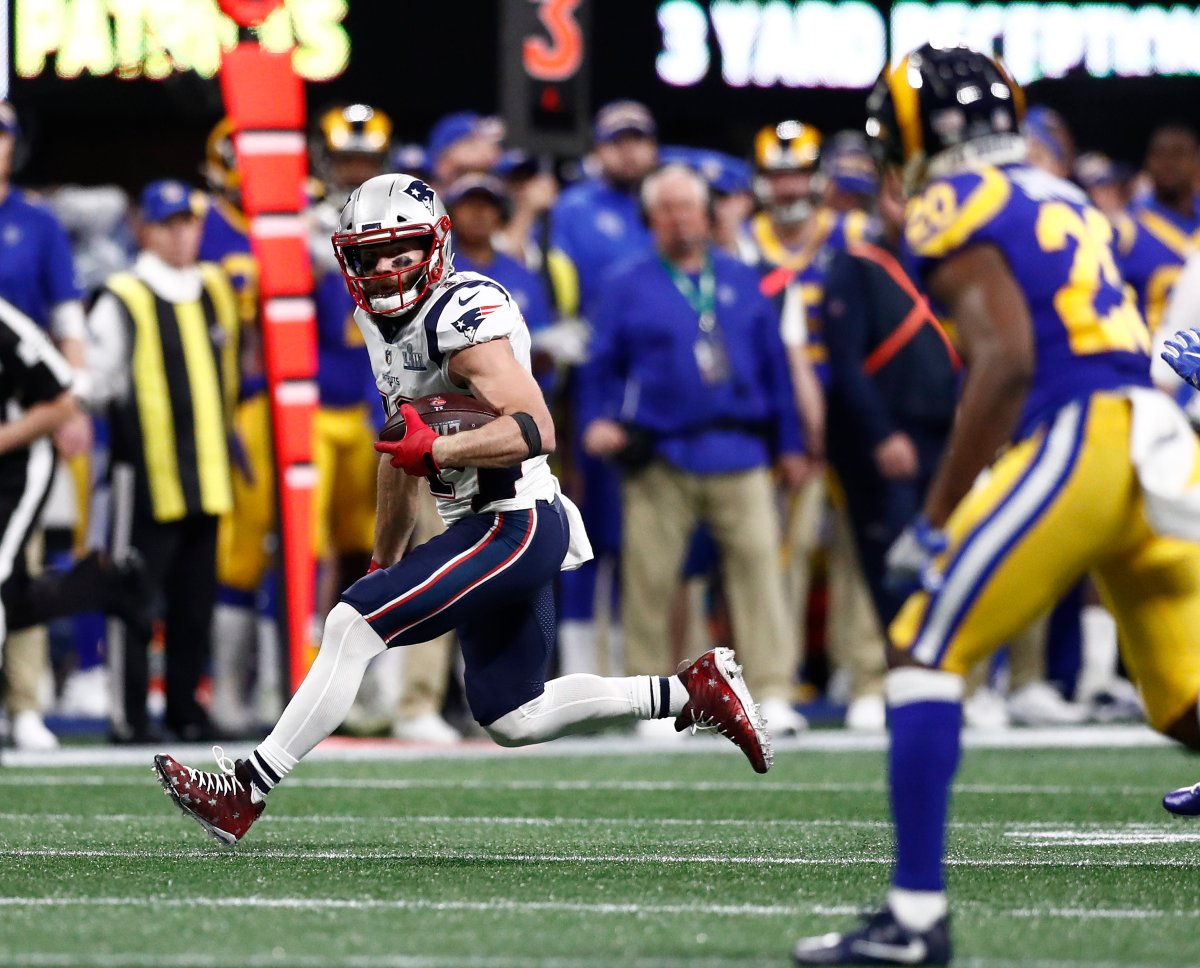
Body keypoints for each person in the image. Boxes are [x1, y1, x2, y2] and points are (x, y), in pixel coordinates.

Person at [152, 172, 773, 844]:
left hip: (517, 520)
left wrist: (441, 454)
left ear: (437, 246)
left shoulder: (464, 312)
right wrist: (383, 558)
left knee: (350, 626)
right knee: (514, 715)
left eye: (403, 251)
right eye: (370, 256)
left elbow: (538, 427)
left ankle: (246, 789)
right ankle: (692, 690)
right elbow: (403, 443)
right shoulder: (376, 321)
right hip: (479, 521)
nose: (387, 270)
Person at [793, 44, 1200, 964]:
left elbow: (1008, 359)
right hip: (1155, 435)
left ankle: (914, 920)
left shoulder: (947, 203)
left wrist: (935, 517)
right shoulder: (1055, 188)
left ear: (914, 130)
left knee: (922, 649)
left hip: (1083, 436)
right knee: (1180, 701)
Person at [579, 162, 806, 740]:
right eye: (668, 208)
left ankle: (774, 691)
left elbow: (774, 365)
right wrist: (596, 420)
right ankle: (651, 698)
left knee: (759, 572)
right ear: (651, 218)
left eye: (690, 206)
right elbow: (600, 365)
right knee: (650, 579)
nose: (681, 218)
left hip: (740, 447)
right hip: (662, 453)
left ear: (706, 214)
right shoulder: (626, 283)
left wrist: (792, 443)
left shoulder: (740, 278)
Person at [89, 180, 240, 744]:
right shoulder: (123, 294)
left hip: (207, 473)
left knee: (194, 603)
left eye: (189, 222)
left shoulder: (213, 288)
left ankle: (185, 708)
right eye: (170, 224)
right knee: (133, 597)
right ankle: (128, 715)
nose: (182, 234)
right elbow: (99, 383)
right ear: (146, 230)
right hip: (146, 475)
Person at [820, 164, 959, 730]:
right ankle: (876, 680)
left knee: (946, 561)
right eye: (903, 196)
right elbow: (845, 364)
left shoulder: (954, 268)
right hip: (884, 439)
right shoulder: (855, 265)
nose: (912, 208)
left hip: (946, 437)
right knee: (882, 568)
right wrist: (880, 434)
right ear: (883, 202)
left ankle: (947, 680)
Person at [0, 99, 93, 751]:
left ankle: (24, 701)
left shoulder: (36, 224)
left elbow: (68, 322)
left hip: (22, 402)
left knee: (17, 561)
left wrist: (71, 403)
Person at [200, 117, 279, 734]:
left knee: (308, 550)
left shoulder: (295, 219)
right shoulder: (202, 226)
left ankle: (283, 686)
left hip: (298, 403)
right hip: (242, 406)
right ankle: (228, 691)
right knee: (241, 553)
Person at [1117, 123, 1200, 335]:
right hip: (1154, 358)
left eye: (1178, 154)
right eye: (1159, 155)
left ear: (1195, 162)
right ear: (1148, 162)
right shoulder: (1127, 228)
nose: (1168, 164)